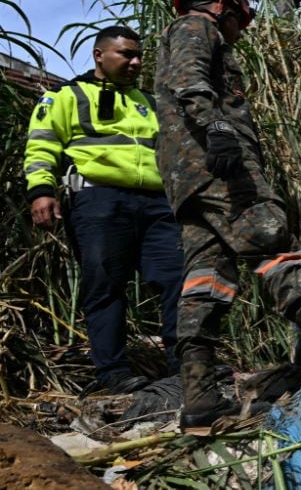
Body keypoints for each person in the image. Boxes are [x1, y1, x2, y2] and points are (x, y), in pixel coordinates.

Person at [156, 0, 301, 435]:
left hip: (188, 178)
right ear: (224, 8)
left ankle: (200, 398)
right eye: (239, 21)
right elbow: (191, 80)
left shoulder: (185, 30)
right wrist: (218, 128)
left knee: (206, 278)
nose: (238, 31)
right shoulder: (196, 26)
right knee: (269, 236)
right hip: (215, 164)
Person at [23, 26, 183, 394]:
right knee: (106, 286)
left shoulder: (149, 101)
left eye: (138, 55)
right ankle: (113, 374)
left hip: (158, 203)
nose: (135, 62)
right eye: (126, 54)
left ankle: (185, 364)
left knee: (178, 279)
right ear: (100, 55)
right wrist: (41, 191)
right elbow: (41, 146)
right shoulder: (66, 96)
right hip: (98, 200)